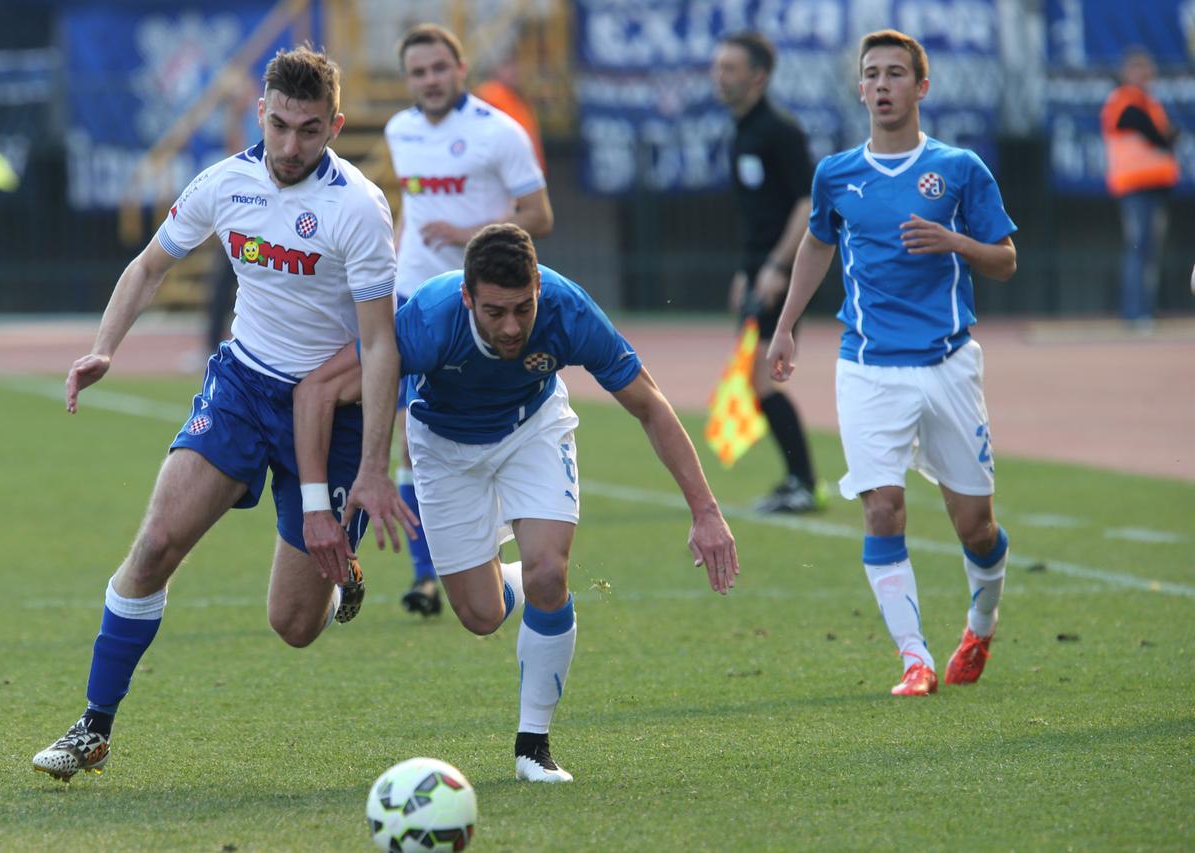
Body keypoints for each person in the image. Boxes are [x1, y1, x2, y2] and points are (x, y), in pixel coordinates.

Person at [31, 44, 413, 781]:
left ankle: (341, 571)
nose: (292, 145)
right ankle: (94, 725)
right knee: (154, 545)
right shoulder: (224, 183)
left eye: (309, 129)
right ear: (258, 113)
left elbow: (379, 346)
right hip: (242, 387)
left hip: (329, 410)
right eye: (279, 125)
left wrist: (372, 469)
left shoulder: (359, 208)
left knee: (293, 626)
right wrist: (104, 347)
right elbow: (149, 265)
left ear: (334, 126)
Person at [295, 223, 739, 780]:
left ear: (538, 290)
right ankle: (521, 578)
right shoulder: (430, 319)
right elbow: (317, 389)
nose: (511, 327)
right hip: (445, 447)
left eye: (523, 309)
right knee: (481, 616)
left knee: (551, 570)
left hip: (533, 429)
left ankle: (533, 746)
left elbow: (648, 403)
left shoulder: (567, 310)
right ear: (467, 298)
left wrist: (706, 512)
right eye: (494, 312)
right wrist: (331, 494)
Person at [765, 30, 1018, 697]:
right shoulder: (837, 174)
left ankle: (981, 622)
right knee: (882, 507)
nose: (882, 85)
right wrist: (787, 326)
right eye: (871, 74)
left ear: (921, 88)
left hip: (949, 364)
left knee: (975, 524)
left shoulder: (960, 170)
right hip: (869, 366)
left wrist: (954, 240)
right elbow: (817, 244)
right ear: (859, 88)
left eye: (896, 74)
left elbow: (1006, 260)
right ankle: (915, 658)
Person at [384, 23, 554, 616]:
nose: (429, 80)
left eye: (438, 68)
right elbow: (414, 206)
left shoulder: (498, 132)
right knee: (410, 439)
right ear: (407, 79)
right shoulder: (399, 130)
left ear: (459, 69)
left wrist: (469, 237)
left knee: (472, 437)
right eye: (417, 72)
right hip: (413, 301)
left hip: (477, 309)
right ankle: (425, 573)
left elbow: (540, 214)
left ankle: (484, 557)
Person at [711, 31, 823, 514]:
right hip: (759, 269)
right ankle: (798, 480)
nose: (720, 77)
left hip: (783, 270)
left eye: (730, 69)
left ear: (757, 76)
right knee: (757, 381)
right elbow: (756, 215)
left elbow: (807, 201)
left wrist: (778, 265)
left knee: (760, 379)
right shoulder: (741, 130)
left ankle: (803, 482)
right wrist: (746, 269)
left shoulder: (780, 130)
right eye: (718, 68)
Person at [1101, 48, 1180, 331]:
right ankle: (1135, 313)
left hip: (1156, 186)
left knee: (1150, 251)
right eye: (1138, 69)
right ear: (1127, 72)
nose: (1144, 75)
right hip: (1134, 187)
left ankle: (1146, 309)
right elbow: (1153, 132)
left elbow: (1166, 136)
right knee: (1137, 248)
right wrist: (1165, 136)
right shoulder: (1124, 100)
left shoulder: (1150, 102)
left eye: (1147, 69)